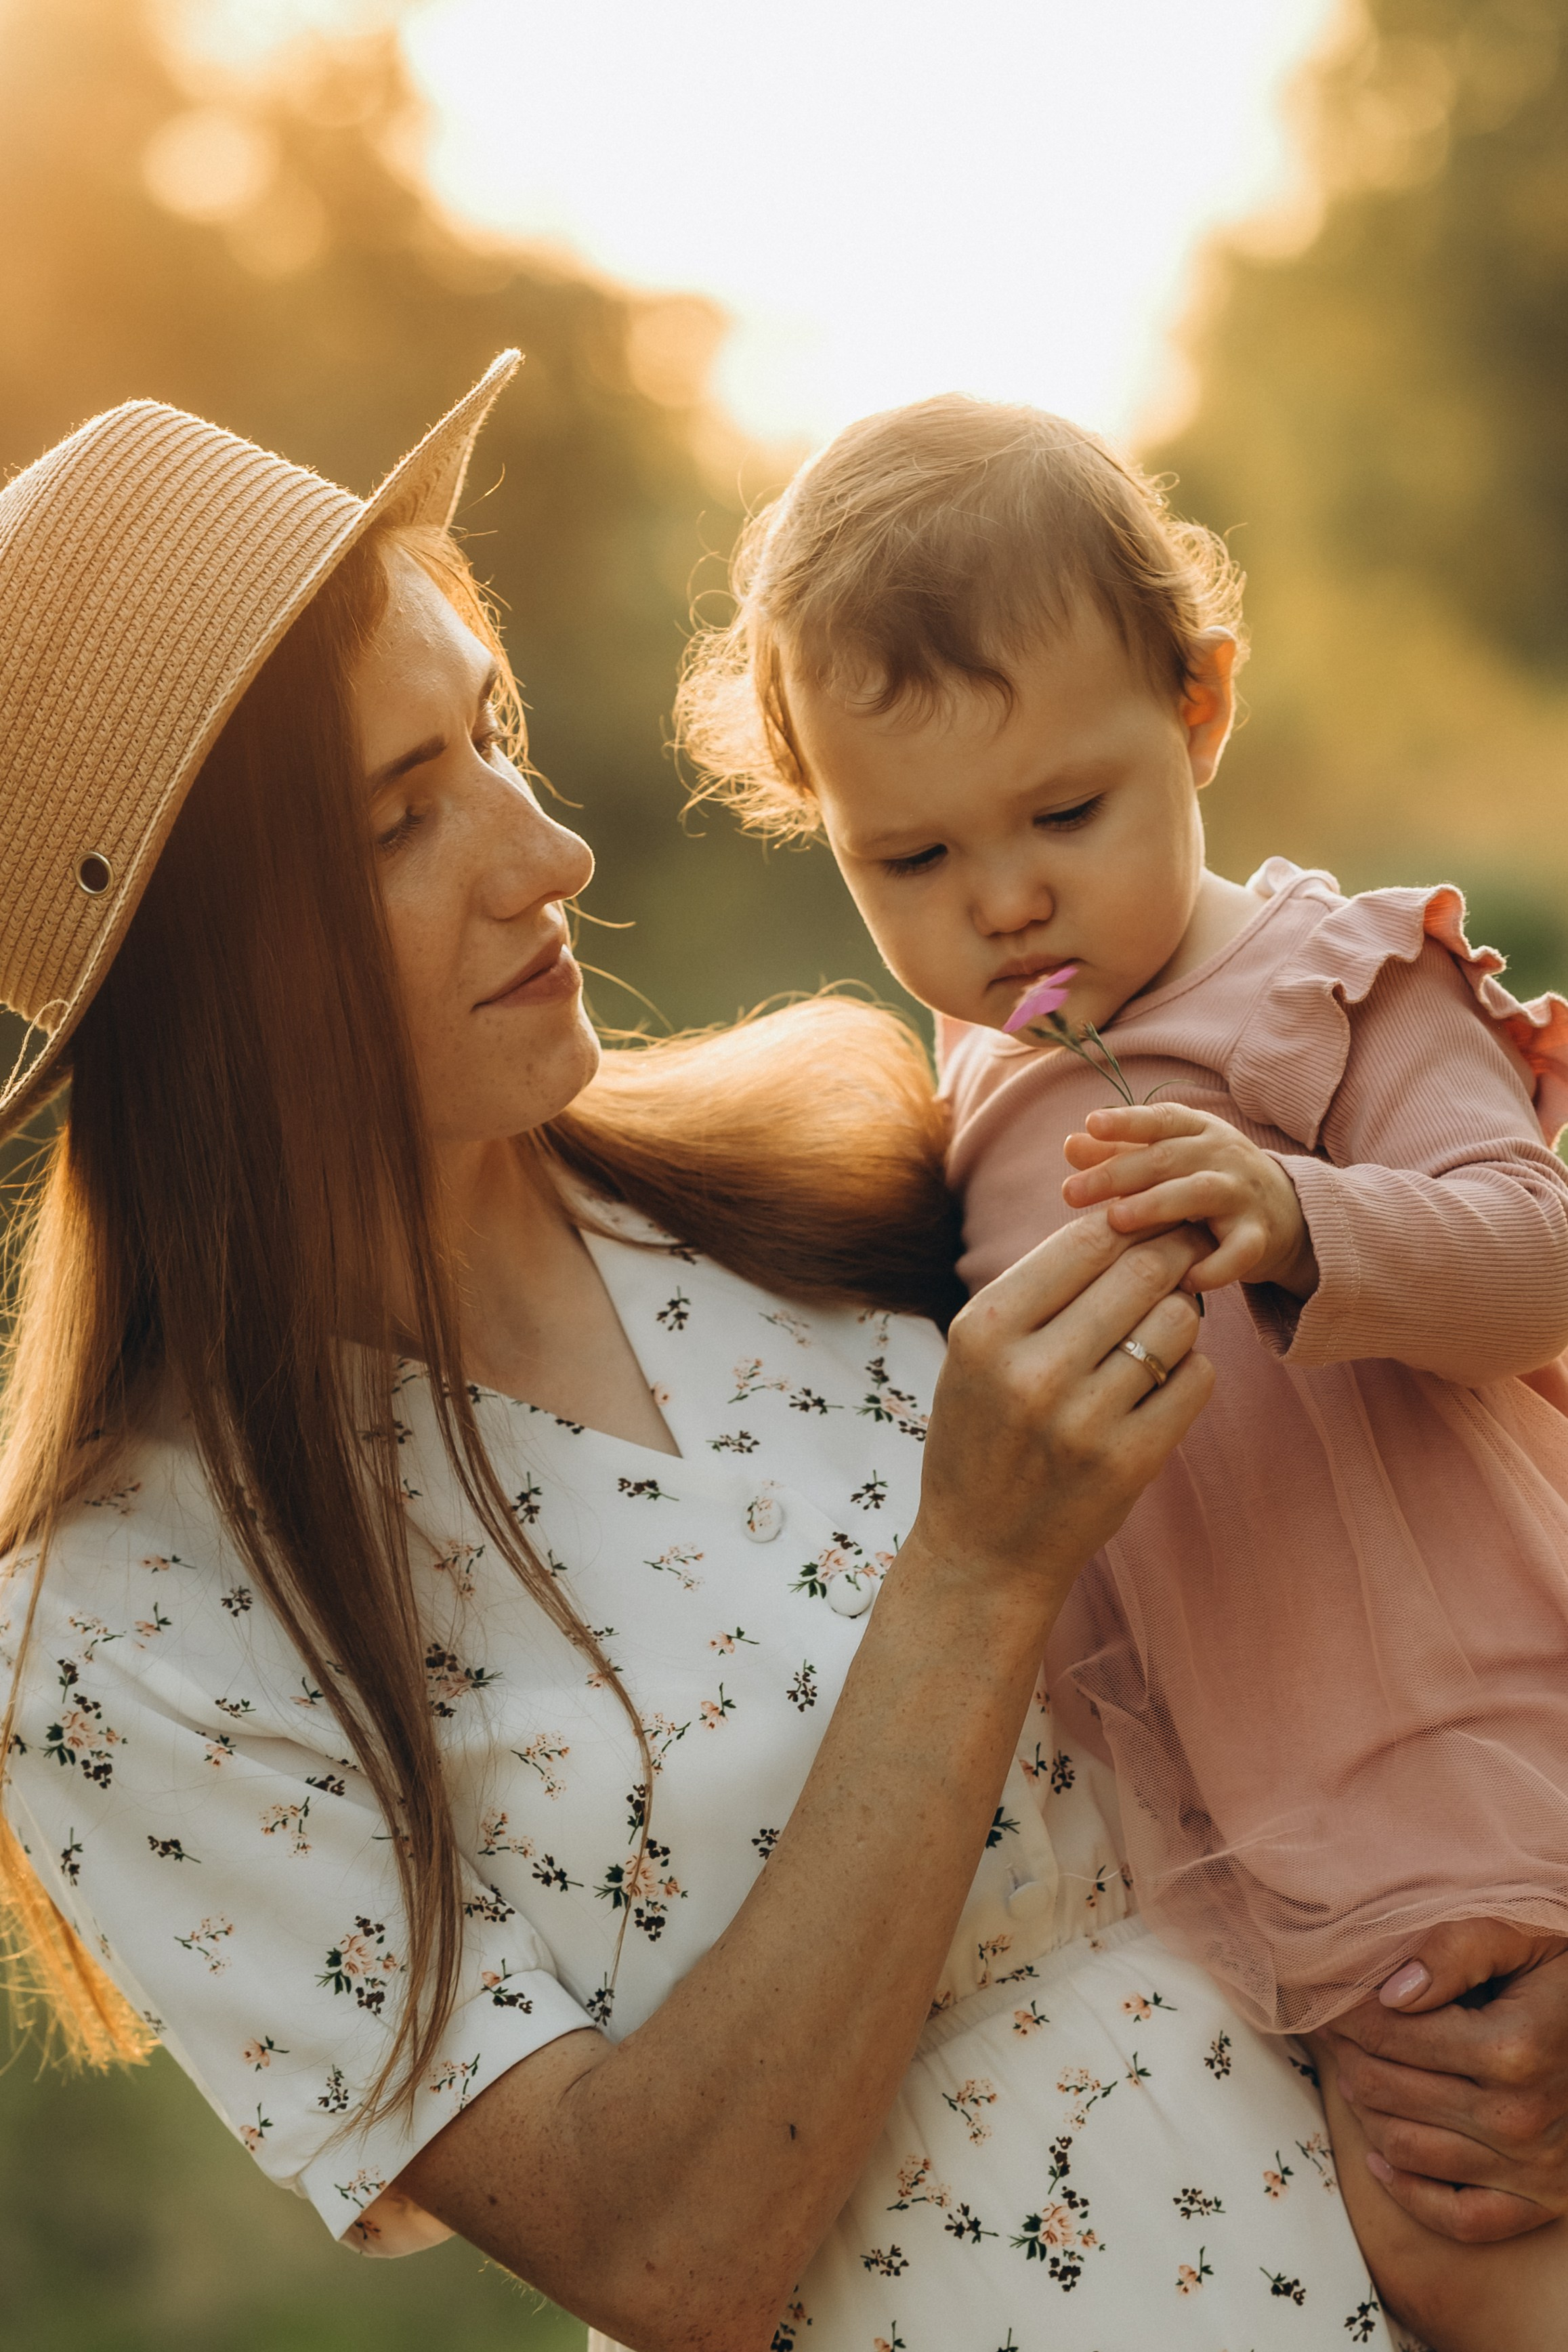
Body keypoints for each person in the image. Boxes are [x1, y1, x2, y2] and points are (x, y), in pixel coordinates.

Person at [0, 360, 1401, 2349]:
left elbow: (1389, 1530)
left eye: (490, 738)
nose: (547, 853)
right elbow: (670, 2256)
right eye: (407, 819)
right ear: (202, 974)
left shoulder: (846, 1156)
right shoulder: (126, 1624)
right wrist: (971, 1572)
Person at [673, 390, 1568, 2346]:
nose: (1000, 903)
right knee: (1421, 2248)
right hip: (1274, 1844)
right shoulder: (965, 1115)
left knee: (1481, 2241)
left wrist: (1306, 1220)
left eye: (1063, 816)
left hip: (1483, 1745)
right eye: (906, 855)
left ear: (1199, 712)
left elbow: (1533, 1263)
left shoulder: (1333, 988)